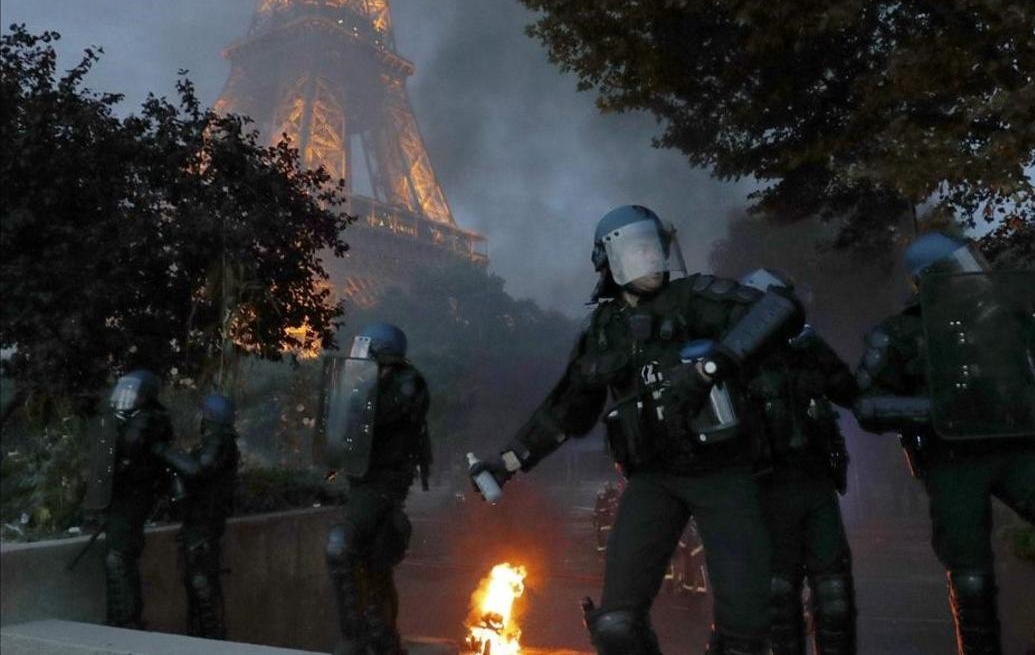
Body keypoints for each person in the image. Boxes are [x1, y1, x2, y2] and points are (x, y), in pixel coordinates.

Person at [470, 205, 804, 655]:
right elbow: (566, 408)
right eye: (637, 249)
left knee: (746, 631)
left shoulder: (696, 297)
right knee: (615, 626)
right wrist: (507, 461)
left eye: (653, 247)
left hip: (723, 474)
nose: (648, 258)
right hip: (653, 480)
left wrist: (713, 364)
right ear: (609, 261)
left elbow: (782, 309)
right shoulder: (605, 330)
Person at [853, 232, 1035, 655]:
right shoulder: (899, 334)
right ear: (933, 278)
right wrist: (940, 408)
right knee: (971, 580)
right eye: (959, 264)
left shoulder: (1007, 316)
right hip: (951, 461)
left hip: (1014, 450)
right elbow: (867, 404)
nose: (974, 269)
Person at [740, 269, 858, 655]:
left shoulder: (808, 350)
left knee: (835, 595)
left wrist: (820, 354)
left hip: (817, 482)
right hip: (766, 488)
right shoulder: (736, 360)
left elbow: (849, 392)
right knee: (778, 596)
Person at [320, 323, 431, 655]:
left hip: (384, 485)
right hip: (364, 482)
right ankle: (382, 641)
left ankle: (353, 639)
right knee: (373, 563)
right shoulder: (370, 381)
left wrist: (369, 385)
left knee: (341, 545)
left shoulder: (408, 383)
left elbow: (377, 415)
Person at [83, 369, 182, 629]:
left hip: (135, 498)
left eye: (132, 391)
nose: (126, 395)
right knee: (115, 558)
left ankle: (128, 621)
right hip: (119, 497)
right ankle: (118, 619)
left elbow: (130, 449)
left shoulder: (149, 420)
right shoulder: (122, 419)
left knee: (120, 557)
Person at [170, 393, 240, 639]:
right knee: (197, 588)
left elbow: (197, 468)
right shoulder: (217, 442)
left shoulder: (219, 442)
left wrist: (164, 452)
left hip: (204, 526)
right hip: (198, 523)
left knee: (203, 587)